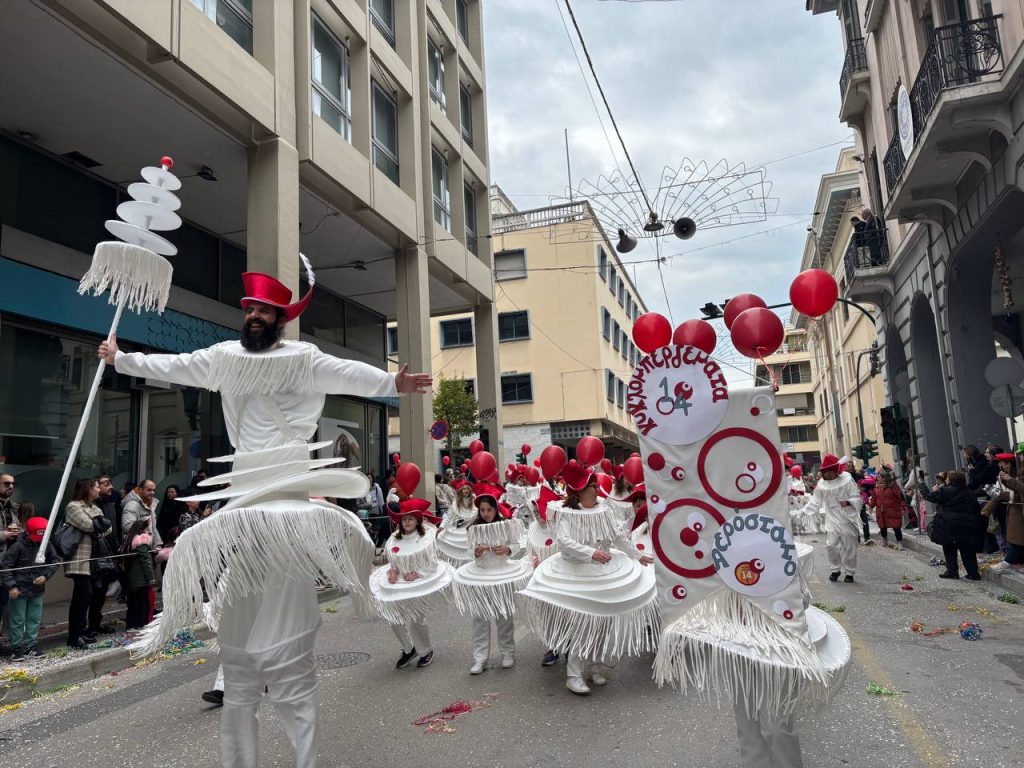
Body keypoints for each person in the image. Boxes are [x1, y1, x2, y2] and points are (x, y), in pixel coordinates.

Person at [100, 255, 431, 768]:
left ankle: (303, 751)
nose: (253, 315)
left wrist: (394, 385)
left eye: (264, 310)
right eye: (249, 308)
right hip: (244, 499)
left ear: (281, 317)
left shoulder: (305, 357)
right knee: (239, 637)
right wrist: (123, 360)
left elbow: (350, 374)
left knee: (290, 635)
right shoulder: (224, 356)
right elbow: (175, 364)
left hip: (288, 499)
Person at [520, 462, 655, 696]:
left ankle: (594, 668)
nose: (596, 488)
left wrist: (638, 555)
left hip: (601, 572)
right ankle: (573, 675)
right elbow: (564, 542)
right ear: (579, 492)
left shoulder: (604, 510)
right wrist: (590, 552)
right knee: (583, 625)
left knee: (601, 623)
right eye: (590, 486)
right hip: (577, 573)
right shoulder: (566, 514)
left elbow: (617, 537)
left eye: (594, 484)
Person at [453, 485, 529, 674]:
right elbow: (469, 550)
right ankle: (480, 659)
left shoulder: (506, 525)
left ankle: (508, 653)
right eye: (482, 510)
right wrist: (476, 552)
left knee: (504, 616)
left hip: (502, 574)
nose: (485, 513)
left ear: (495, 509)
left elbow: (517, 544)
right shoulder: (474, 528)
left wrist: (507, 549)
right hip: (480, 575)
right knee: (480, 618)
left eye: (489, 509)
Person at [369, 498, 450, 669]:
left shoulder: (425, 538)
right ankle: (408, 649)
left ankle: (426, 650)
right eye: (404, 519)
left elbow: (432, 562)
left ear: (417, 521)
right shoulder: (393, 539)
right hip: (397, 583)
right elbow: (393, 560)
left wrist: (418, 573)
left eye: (410, 519)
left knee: (417, 619)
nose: (407, 522)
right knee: (393, 618)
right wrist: (393, 570)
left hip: (418, 582)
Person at [64, 477, 115, 649]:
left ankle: (81, 632)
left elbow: (108, 528)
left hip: (94, 558)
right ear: (87, 489)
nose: (98, 490)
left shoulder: (94, 507)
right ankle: (74, 636)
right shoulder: (73, 506)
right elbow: (89, 525)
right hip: (79, 558)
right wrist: (98, 523)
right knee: (82, 595)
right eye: (95, 487)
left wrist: (98, 523)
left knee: (89, 596)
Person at [1, 515, 59, 660]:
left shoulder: (47, 544)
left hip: (37, 589)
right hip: (19, 589)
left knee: (34, 618)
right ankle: (16, 647)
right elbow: (5, 566)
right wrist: (11, 586)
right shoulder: (17, 545)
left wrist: (46, 575)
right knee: (17, 619)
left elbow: (55, 561)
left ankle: (30, 646)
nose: (39, 541)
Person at [801, 455, 862, 583]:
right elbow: (815, 501)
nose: (821, 473)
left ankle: (849, 572)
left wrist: (848, 502)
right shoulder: (822, 484)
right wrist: (802, 513)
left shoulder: (847, 480)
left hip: (848, 519)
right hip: (832, 520)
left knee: (849, 547)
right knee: (831, 545)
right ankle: (835, 569)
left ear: (832, 471)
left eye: (824, 471)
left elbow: (857, 498)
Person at [919, 471, 982, 580]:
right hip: (967, 525)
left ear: (951, 480)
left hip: (949, 524)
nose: (946, 479)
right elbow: (977, 510)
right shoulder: (970, 493)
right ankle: (973, 573)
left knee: (949, 548)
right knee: (968, 550)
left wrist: (922, 484)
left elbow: (929, 497)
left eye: (948, 478)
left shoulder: (944, 491)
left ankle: (952, 572)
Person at [988, 452, 1024, 570]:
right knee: (1014, 537)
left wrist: (1008, 482)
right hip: (1014, 509)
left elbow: (1019, 489)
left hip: (1019, 509)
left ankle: (1009, 561)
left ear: (1008, 464)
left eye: (1001, 463)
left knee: (1017, 538)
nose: (999, 465)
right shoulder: (1015, 472)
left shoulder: (1019, 472)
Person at [120, 518, 157, 633]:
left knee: (133, 601)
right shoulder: (142, 540)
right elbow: (146, 560)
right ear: (141, 529)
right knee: (141, 602)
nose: (148, 531)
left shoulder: (129, 539)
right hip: (141, 577)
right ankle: (140, 624)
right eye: (146, 529)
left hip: (132, 576)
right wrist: (151, 577)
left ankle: (131, 624)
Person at [436, 479, 477, 565]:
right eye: (464, 488)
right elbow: (449, 517)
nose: (466, 490)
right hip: (456, 528)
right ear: (460, 491)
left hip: (469, 530)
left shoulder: (474, 501)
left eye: (467, 488)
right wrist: (442, 526)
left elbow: (477, 516)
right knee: (441, 540)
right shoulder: (455, 503)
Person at [870, 467, 907, 549]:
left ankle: (899, 542)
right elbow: (874, 498)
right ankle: (885, 540)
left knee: (896, 527)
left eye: (879, 477)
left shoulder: (893, 486)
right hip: (881, 511)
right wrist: (871, 506)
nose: (877, 478)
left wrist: (903, 507)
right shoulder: (876, 488)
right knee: (882, 527)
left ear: (884, 478)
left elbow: (900, 497)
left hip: (893, 510)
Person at [122, 479, 162, 548]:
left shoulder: (150, 504)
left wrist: (157, 544)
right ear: (140, 490)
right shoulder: (132, 504)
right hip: (136, 549)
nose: (152, 492)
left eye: (154, 490)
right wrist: (144, 532)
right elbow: (127, 527)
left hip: (148, 548)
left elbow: (153, 528)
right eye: (149, 490)